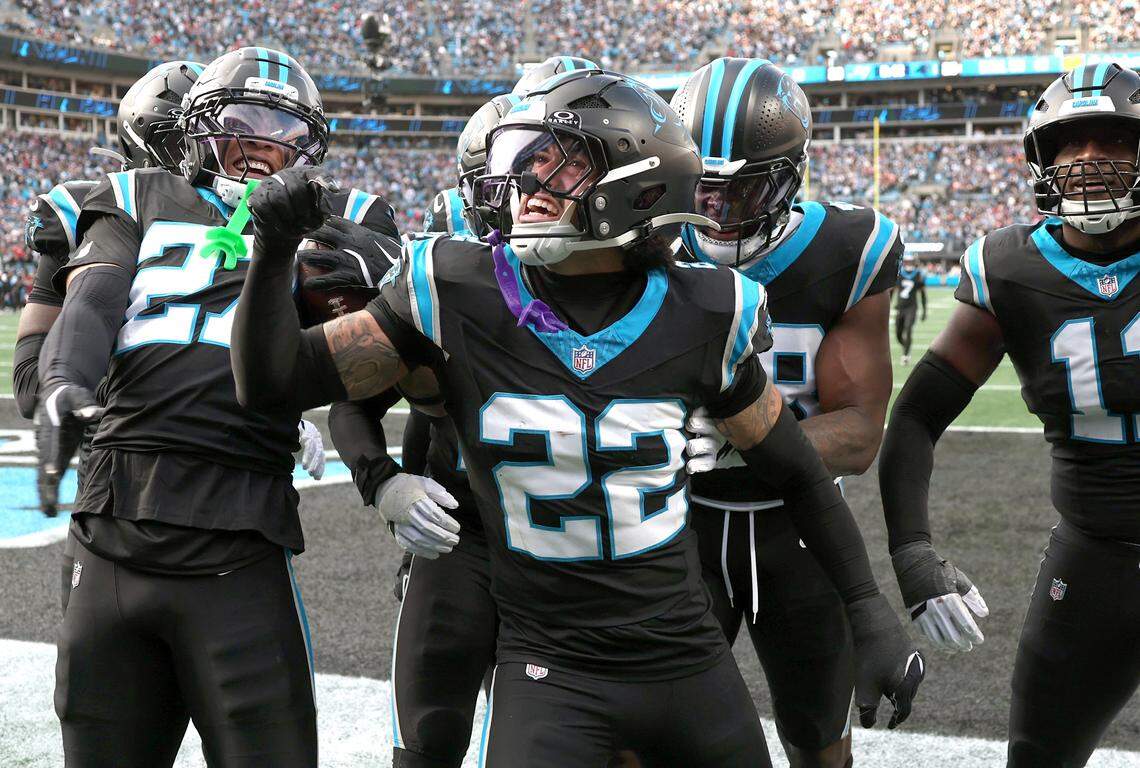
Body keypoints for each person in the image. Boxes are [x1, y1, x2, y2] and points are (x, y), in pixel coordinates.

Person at [231, 68, 923, 767]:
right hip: (548, 668)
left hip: (687, 662)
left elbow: (801, 474)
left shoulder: (707, 309)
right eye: (528, 162)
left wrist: (869, 613)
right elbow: (270, 385)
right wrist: (273, 252)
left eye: (558, 164)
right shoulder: (454, 289)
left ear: (636, 184)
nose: (527, 183)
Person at [38, 47, 334, 767]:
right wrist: (62, 385)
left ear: (306, 152)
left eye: (281, 137)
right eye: (243, 129)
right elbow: (94, 300)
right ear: (199, 131)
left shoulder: (327, 229)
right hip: (114, 521)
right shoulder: (136, 196)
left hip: (239, 531)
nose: (261, 154)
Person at [879, 62, 1140, 768]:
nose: (1088, 160)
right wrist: (910, 550)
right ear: (1040, 158)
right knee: (1037, 755)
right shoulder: (1011, 268)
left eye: (1113, 141)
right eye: (1069, 143)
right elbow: (916, 417)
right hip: (1095, 561)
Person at [672, 58, 901, 768]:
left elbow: (861, 433)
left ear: (790, 175)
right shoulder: (646, 244)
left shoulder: (846, 249)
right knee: (649, 735)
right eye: (700, 188)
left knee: (818, 739)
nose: (714, 210)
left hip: (798, 529)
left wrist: (741, 438)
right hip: (678, 523)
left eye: (742, 190)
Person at [894, 253, 926, 365]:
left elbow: (923, 294)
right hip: (900, 307)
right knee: (898, 333)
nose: (908, 264)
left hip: (912, 307)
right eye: (907, 261)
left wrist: (924, 311)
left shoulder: (918, 275)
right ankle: (906, 346)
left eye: (910, 261)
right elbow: (893, 290)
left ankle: (906, 355)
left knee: (908, 330)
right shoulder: (899, 274)